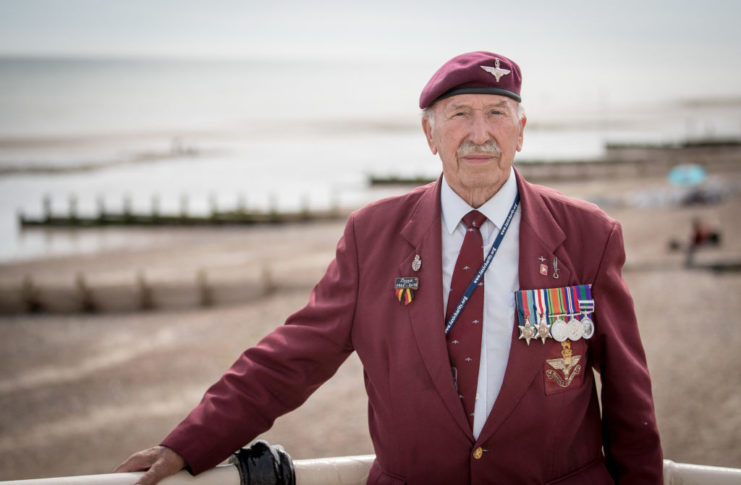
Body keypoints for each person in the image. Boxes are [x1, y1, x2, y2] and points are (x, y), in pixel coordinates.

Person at [116, 51, 662, 484]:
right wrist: (188, 443)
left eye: (497, 113)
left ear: (520, 131)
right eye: (458, 115)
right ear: (429, 134)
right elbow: (289, 360)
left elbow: (628, 393)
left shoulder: (589, 234)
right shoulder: (372, 236)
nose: (479, 133)